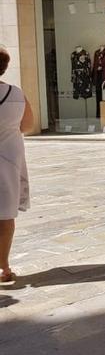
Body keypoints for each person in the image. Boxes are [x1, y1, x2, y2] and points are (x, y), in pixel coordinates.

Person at [0, 47, 34, 284]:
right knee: (5, 215)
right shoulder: (16, 93)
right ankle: (4, 267)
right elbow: (28, 126)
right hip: (8, 159)